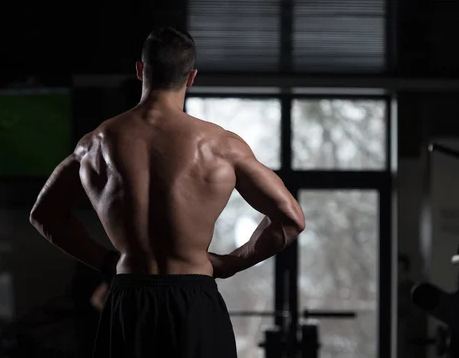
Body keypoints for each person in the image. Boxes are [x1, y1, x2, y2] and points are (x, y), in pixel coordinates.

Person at [29, 26, 306, 358]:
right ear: (191, 78)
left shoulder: (95, 145)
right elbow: (290, 219)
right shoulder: (221, 146)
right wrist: (231, 263)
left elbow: (44, 214)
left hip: (128, 299)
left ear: (140, 70)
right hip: (193, 299)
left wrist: (104, 260)